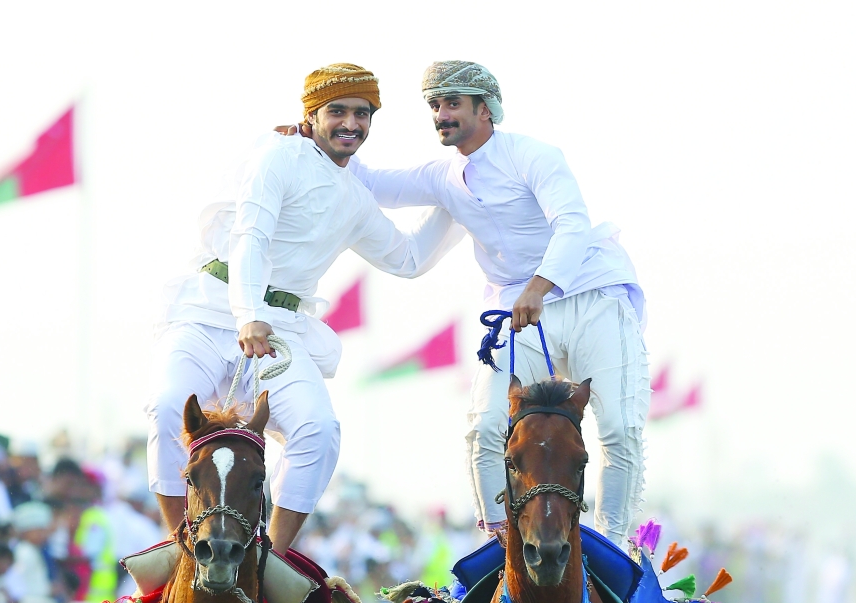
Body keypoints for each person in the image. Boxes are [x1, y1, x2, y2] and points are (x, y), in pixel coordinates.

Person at [289, 62, 650, 547]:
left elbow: (572, 224)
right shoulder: (444, 176)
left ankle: (615, 550)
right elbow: (372, 182)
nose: (441, 114)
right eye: (434, 106)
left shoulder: (533, 155)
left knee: (620, 430)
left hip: (590, 296)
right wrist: (309, 138)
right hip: (518, 313)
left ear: (485, 108)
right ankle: (500, 543)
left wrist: (538, 287)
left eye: (452, 103)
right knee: (485, 426)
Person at [147, 63, 460, 556]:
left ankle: (268, 557)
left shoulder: (354, 196)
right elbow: (251, 233)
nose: (350, 123)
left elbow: (409, 258)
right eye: (337, 111)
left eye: (362, 113)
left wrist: (459, 198)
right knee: (167, 407)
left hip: (281, 335)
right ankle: (174, 546)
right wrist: (249, 312)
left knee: (320, 430)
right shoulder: (279, 156)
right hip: (208, 316)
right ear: (310, 115)